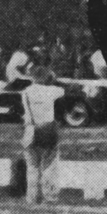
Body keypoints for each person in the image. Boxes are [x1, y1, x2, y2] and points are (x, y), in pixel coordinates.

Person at [21, 67, 64, 204]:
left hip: (30, 131)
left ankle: (32, 198)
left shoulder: (26, 92)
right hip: (47, 129)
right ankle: (50, 197)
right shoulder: (53, 91)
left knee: (32, 167)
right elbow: (63, 91)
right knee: (49, 166)